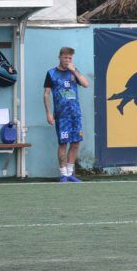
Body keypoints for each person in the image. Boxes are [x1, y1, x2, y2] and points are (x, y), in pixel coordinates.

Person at [44, 46, 89, 182]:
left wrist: (74, 70)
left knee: (75, 143)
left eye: (70, 58)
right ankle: (63, 174)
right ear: (59, 57)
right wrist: (49, 114)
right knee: (63, 144)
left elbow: (86, 84)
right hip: (62, 115)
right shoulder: (51, 73)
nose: (67, 60)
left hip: (75, 114)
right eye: (65, 57)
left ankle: (70, 173)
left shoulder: (74, 72)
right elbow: (46, 94)